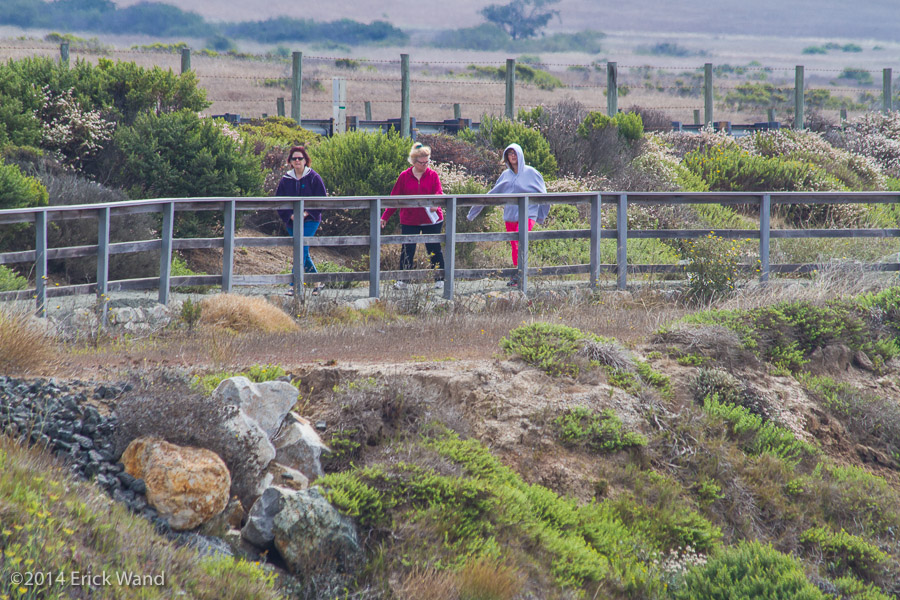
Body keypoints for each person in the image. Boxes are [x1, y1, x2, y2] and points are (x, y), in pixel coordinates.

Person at [467, 143, 549, 287]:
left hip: (528, 214)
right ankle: (518, 275)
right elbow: (491, 195)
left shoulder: (532, 173)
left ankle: (520, 276)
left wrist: (541, 216)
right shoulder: (506, 175)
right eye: (510, 153)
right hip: (510, 216)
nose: (513, 155)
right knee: (514, 246)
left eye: (515, 153)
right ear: (506, 157)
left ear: (520, 155)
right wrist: (472, 214)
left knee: (519, 243)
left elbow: (544, 196)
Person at [380, 142, 446, 290]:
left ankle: (440, 279)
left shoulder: (433, 175)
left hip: (431, 219)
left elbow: (438, 191)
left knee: (434, 247)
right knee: (407, 248)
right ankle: (403, 280)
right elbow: (394, 197)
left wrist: (437, 202)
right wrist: (385, 216)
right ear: (414, 162)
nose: (425, 165)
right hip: (410, 219)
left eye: (427, 162)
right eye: (422, 162)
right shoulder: (404, 176)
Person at [276, 145, 328, 296]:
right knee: (302, 251)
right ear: (290, 161)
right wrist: (289, 215)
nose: (297, 161)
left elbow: (321, 199)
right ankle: (317, 282)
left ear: (305, 160)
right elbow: (278, 201)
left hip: (311, 219)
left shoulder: (313, 177)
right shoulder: (286, 179)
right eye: (294, 158)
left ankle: (294, 285)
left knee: (301, 249)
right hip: (292, 221)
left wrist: (306, 213)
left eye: (300, 158)